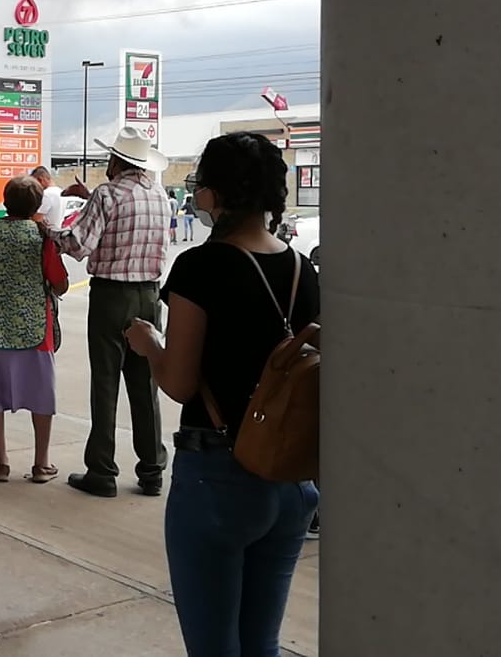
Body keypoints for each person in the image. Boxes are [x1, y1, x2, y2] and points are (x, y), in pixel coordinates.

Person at [122, 132, 320, 656]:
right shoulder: (303, 269)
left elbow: (179, 382)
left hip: (218, 476)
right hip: (289, 479)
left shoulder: (201, 267)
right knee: (261, 645)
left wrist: (150, 344)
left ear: (213, 194)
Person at [55, 127, 173, 498]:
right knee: (145, 384)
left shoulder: (106, 194)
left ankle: (102, 470)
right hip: (149, 296)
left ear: (116, 161)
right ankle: (152, 469)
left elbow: (79, 245)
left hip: (111, 296)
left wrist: (48, 232)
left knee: (106, 383)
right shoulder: (159, 194)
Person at [0, 175, 69, 483]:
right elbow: (60, 283)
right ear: (37, 205)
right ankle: (41, 463)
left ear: (6, 202)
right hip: (35, 331)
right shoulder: (41, 238)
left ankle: (1, 462)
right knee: (41, 394)